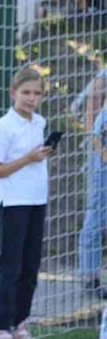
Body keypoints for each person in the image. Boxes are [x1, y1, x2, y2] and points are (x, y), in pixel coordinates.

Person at [0, 65, 52, 339]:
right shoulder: (4, 126)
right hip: (12, 203)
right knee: (10, 268)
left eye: (37, 93)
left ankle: (20, 325)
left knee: (30, 267)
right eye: (26, 93)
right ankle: (1, 332)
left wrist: (42, 155)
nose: (31, 98)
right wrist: (28, 158)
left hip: (36, 200)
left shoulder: (40, 122)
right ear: (14, 93)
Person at [79, 94, 107, 299]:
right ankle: (90, 276)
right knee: (95, 220)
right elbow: (96, 133)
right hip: (103, 174)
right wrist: (102, 153)